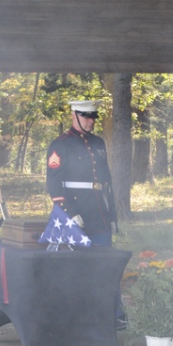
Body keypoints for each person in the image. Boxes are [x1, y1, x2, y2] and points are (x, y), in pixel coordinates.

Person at [46, 99, 124, 327]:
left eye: (93, 117)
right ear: (74, 116)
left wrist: (111, 214)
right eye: (86, 117)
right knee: (73, 269)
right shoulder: (60, 144)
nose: (90, 122)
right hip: (74, 214)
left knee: (106, 266)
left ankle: (112, 315)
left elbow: (105, 181)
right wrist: (69, 212)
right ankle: (75, 318)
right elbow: (54, 183)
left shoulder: (98, 143)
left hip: (99, 212)